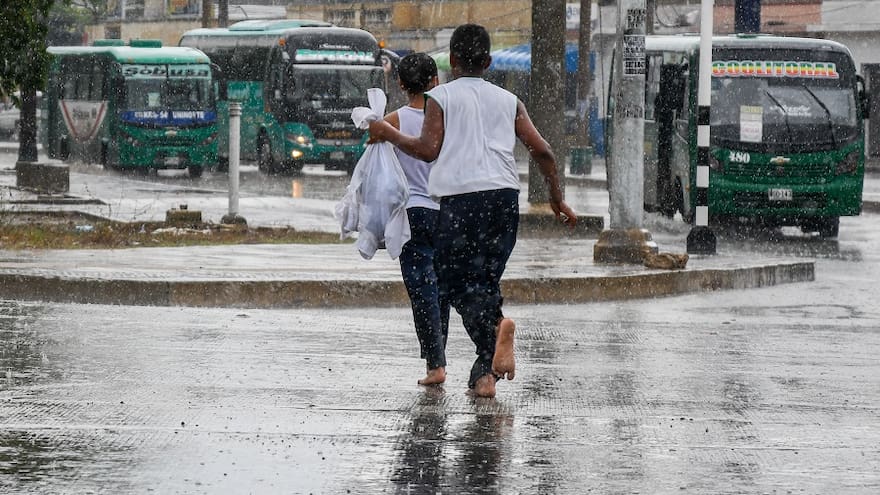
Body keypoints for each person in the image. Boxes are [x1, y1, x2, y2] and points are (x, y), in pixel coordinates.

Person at [370, 24, 578, 398]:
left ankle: (497, 328)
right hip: (504, 199)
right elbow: (544, 151)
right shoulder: (510, 100)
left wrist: (389, 133)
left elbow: (427, 149)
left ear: (451, 60)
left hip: (461, 199)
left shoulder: (441, 97)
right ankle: (485, 376)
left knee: (453, 283)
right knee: (485, 281)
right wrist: (556, 197)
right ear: (489, 61)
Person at [384, 53, 448, 386]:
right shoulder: (447, 120)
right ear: (435, 81)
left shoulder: (392, 121)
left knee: (422, 290)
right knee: (440, 288)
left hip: (412, 213)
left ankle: (435, 363)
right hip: (445, 211)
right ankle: (439, 356)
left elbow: (377, 164)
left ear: (400, 83)